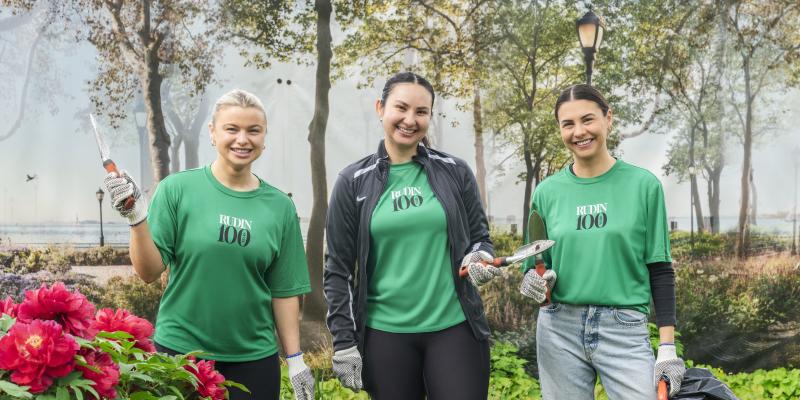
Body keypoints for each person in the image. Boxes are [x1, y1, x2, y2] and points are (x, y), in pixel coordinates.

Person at [102, 89, 314, 400]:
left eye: (253, 130)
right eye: (232, 129)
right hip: (181, 359)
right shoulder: (177, 190)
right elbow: (148, 272)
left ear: (264, 137)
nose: (243, 139)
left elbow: (284, 291)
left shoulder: (280, 207)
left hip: (254, 363)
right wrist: (137, 219)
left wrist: (295, 359)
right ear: (213, 133)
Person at [323, 72, 500, 400]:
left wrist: (480, 256)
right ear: (380, 108)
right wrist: (344, 341)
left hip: (455, 329)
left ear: (430, 116)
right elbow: (337, 271)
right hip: (385, 336)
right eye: (401, 108)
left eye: (421, 112)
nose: (410, 120)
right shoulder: (352, 181)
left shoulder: (455, 171)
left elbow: (480, 237)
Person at [519, 84, 686, 399]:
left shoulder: (644, 186)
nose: (579, 132)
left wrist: (667, 347)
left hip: (624, 328)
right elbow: (536, 264)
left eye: (588, 119)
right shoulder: (546, 193)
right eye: (568, 124)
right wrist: (534, 280)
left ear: (608, 119)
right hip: (559, 330)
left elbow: (661, 270)